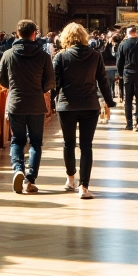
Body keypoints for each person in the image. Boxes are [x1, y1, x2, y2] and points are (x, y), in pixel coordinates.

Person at [53, 20, 112, 199]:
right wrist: (109, 101)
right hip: (89, 105)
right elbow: (103, 80)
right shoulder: (95, 55)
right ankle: (84, 187)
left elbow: (55, 83)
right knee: (86, 146)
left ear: (65, 38)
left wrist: (47, 100)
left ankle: (70, 179)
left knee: (68, 144)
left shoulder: (61, 57)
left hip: (67, 106)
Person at [0, 18, 54, 193]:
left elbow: (1, 78)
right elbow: (51, 80)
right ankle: (29, 179)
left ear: (17, 34)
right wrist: (40, 89)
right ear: (33, 34)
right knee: (35, 143)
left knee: (17, 141)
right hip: (36, 104)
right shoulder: (43, 56)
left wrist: (12, 87)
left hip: (16, 104)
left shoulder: (8, 54)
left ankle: (18, 170)